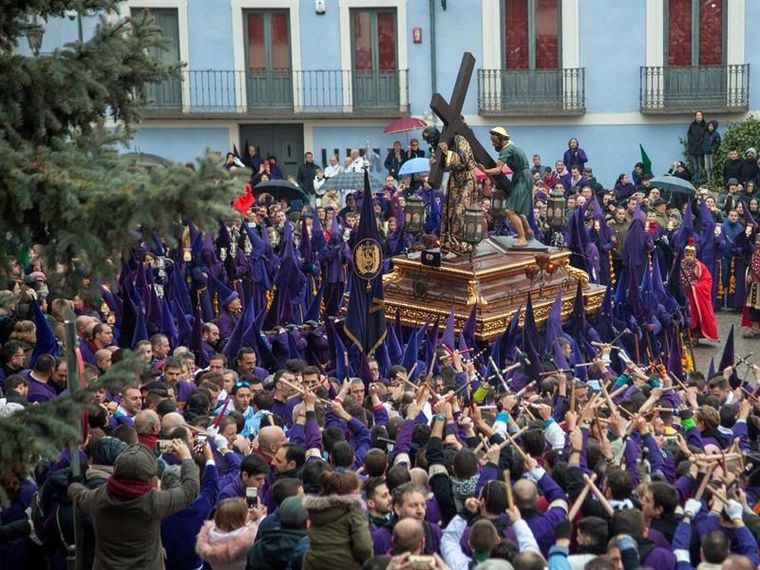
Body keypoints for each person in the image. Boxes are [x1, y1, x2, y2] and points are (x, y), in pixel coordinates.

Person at [67, 440, 200, 570]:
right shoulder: (155, 502)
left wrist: (74, 484)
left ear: (116, 470)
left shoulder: (98, 498)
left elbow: (79, 494)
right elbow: (190, 490)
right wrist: (186, 458)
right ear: (149, 478)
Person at [302, 470, 372, 570]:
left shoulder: (315, 510)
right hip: (344, 564)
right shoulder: (353, 510)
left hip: (313, 562)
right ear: (352, 494)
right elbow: (363, 547)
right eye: (357, 493)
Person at [480, 127, 532, 248]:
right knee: (517, 209)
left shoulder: (506, 149)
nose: (493, 143)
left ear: (502, 139)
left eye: (494, 141)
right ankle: (528, 232)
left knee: (509, 210)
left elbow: (498, 170)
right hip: (521, 176)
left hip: (522, 178)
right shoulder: (511, 145)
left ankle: (522, 238)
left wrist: (484, 170)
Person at [196, 497, 266, 570]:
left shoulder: (209, 537)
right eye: (246, 512)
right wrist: (261, 518)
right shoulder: (248, 541)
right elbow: (264, 530)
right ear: (239, 519)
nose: (249, 512)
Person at [435, 135, 478, 253]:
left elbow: (463, 161)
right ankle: (449, 243)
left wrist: (447, 153)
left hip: (466, 180)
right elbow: (446, 164)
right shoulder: (448, 139)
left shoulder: (461, 140)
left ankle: (461, 244)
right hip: (455, 180)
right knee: (450, 212)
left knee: (460, 212)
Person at [680, 238, 719, 343]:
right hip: (682, 295)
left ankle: (695, 336)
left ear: (695, 255)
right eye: (687, 255)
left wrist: (696, 288)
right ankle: (684, 334)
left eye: (691, 255)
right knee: (682, 314)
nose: (689, 257)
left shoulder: (699, 266)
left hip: (694, 296)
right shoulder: (680, 264)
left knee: (694, 315)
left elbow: (707, 280)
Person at [742, 230, 760, 338]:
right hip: (754, 284)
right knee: (753, 308)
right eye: (757, 240)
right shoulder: (754, 253)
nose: (758, 242)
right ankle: (755, 330)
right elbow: (751, 266)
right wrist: (749, 274)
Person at [686, 110, 707, 182]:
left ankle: (701, 181)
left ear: (702, 116)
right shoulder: (692, 125)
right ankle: (695, 181)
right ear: (695, 117)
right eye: (697, 115)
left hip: (701, 150)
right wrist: (691, 142)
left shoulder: (705, 125)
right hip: (693, 149)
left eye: (700, 115)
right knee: (695, 167)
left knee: (701, 166)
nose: (699, 117)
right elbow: (689, 135)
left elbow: (706, 136)